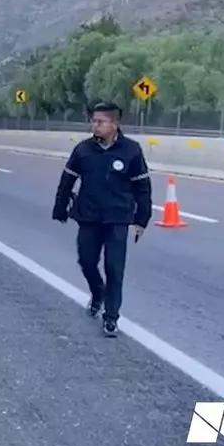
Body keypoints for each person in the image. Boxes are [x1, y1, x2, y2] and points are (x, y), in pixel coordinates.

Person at [51, 101, 152, 337]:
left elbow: (143, 188)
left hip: (118, 218)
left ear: (114, 124)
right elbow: (67, 180)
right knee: (86, 262)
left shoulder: (132, 150)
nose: (94, 125)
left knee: (114, 268)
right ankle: (98, 293)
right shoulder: (83, 150)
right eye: (93, 121)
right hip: (88, 216)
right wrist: (60, 208)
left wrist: (142, 219)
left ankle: (111, 317)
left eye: (100, 121)